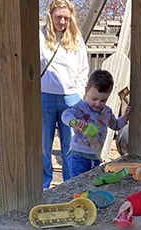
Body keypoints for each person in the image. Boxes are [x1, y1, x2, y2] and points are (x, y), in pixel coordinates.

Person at [40, 0, 89, 189]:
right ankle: (44, 184)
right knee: (44, 146)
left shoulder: (76, 39)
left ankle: (70, 184)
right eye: (59, 17)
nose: (62, 22)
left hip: (70, 98)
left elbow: (82, 70)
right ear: (51, 15)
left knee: (70, 145)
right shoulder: (40, 36)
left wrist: (78, 94)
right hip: (44, 96)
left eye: (66, 18)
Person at [61, 69, 132, 178]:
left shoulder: (106, 112)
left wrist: (125, 116)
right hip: (78, 156)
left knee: (92, 184)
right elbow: (66, 114)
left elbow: (116, 125)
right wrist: (73, 122)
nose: (98, 103)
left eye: (103, 100)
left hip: (96, 157)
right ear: (86, 91)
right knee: (77, 184)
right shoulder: (81, 107)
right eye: (94, 99)